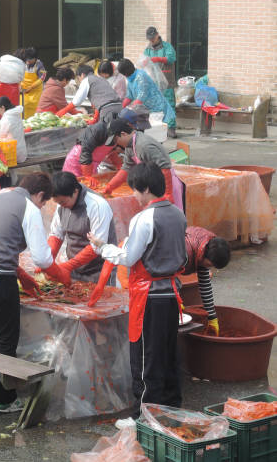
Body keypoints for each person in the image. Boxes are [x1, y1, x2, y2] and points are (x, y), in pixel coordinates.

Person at [88, 163, 187, 428]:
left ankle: (143, 414)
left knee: (146, 356)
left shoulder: (144, 218)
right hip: (170, 292)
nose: (134, 195)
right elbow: (183, 255)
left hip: (149, 296)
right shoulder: (178, 214)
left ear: (144, 189)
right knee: (167, 351)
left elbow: (129, 257)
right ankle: (171, 404)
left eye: (134, 190)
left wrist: (102, 248)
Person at [0, 173, 69, 412]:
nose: (41, 207)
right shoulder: (29, 208)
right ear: (40, 195)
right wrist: (63, 275)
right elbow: (42, 257)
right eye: (43, 203)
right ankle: (5, 400)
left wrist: (21, 275)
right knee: (5, 339)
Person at [102, 118, 184, 210]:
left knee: (170, 218)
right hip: (154, 183)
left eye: (115, 140)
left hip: (167, 184)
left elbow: (164, 167)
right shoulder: (129, 147)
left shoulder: (143, 145)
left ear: (123, 134)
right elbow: (126, 169)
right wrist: (110, 187)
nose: (115, 144)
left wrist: (168, 194)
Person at [49, 171, 115, 283]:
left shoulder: (97, 205)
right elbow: (56, 234)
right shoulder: (62, 204)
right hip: (74, 268)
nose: (61, 205)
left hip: (98, 271)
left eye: (63, 202)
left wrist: (67, 266)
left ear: (75, 191)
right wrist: (47, 262)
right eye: (58, 202)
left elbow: (97, 246)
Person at [183, 227, 231, 337]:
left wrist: (212, 317)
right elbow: (167, 274)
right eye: (209, 265)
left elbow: (205, 285)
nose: (209, 268)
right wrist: (176, 298)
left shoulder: (209, 246)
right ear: (204, 254)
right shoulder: (185, 251)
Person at [117, 58, 176, 138]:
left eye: (124, 74)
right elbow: (129, 96)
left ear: (126, 72)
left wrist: (129, 110)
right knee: (149, 133)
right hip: (146, 109)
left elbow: (141, 97)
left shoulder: (141, 76)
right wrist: (120, 108)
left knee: (156, 133)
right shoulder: (130, 79)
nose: (124, 76)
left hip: (156, 107)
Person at [58, 65, 122, 125]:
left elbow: (77, 101)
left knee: (107, 132)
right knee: (115, 132)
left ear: (82, 75)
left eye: (78, 78)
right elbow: (100, 101)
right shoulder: (102, 79)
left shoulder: (86, 80)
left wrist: (62, 112)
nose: (79, 80)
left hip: (107, 109)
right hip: (119, 107)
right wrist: (95, 118)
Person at [144, 26, 177, 137]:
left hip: (167, 80)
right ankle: (157, 127)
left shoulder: (167, 46)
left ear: (157, 35)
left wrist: (159, 59)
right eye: (150, 38)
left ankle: (171, 128)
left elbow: (171, 58)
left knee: (169, 104)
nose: (151, 40)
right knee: (156, 106)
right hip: (154, 82)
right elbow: (145, 61)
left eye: (153, 37)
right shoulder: (148, 49)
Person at [0, 96, 27, 164]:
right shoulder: (16, 115)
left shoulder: (6, 119)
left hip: (12, 156)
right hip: (22, 154)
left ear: (3, 108)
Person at [21, 47, 46, 119]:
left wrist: (31, 87)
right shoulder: (24, 63)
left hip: (35, 92)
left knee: (33, 111)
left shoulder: (40, 65)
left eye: (30, 59)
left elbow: (43, 77)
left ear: (35, 58)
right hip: (24, 91)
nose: (28, 61)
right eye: (27, 59)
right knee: (22, 107)